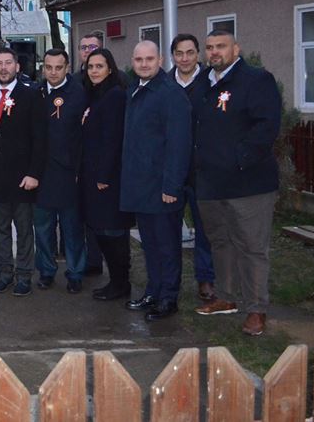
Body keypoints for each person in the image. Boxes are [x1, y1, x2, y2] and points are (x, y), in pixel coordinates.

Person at [193, 30, 281, 337]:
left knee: (252, 247)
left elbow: (266, 126)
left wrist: (238, 159)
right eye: (209, 48)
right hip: (211, 184)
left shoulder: (256, 80)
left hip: (248, 184)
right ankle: (226, 297)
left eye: (221, 46)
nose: (214, 52)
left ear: (236, 49)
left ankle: (256, 309)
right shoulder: (203, 83)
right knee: (221, 243)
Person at [120, 41, 192, 321]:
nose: (144, 63)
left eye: (150, 58)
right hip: (141, 186)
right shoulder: (135, 90)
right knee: (149, 244)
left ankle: (168, 298)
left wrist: (172, 187)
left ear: (160, 59)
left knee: (167, 245)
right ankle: (153, 291)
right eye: (139, 59)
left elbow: (179, 145)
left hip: (163, 188)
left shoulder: (170, 94)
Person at [0, 48, 45, 297]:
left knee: (24, 229)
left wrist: (34, 173)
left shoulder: (30, 96)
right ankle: (4, 273)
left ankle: (25, 274)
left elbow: (40, 139)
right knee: (1, 229)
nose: (4, 67)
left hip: (22, 178)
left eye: (8, 63)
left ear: (17, 67)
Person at [79, 48, 131, 301]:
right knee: (102, 231)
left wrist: (103, 176)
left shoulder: (115, 96)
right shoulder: (94, 95)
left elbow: (112, 139)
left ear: (110, 68)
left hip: (107, 179)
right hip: (92, 176)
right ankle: (116, 281)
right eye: (91, 67)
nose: (94, 71)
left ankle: (121, 283)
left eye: (99, 66)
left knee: (113, 232)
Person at [35, 49, 88, 293]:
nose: (53, 72)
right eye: (49, 67)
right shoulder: (37, 92)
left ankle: (75, 273)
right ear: (43, 68)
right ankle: (46, 271)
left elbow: (85, 135)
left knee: (72, 228)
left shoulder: (78, 93)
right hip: (42, 172)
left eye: (58, 67)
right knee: (44, 228)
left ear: (67, 67)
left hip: (69, 173)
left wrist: (79, 168)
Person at [171, 33, 216, 301]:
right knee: (169, 230)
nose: (185, 58)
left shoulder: (211, 83)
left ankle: (206, 278)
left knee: (205, 230)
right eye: (179, 53)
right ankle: (170, 279)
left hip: (202, 172)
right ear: (173, 56)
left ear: (198, 54)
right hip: (174, 172)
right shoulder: (164, 83)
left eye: (189, 52)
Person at [75, 31, 105, 276]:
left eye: (92, 47)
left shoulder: (114, 87)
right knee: (83, 214)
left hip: (102, 160)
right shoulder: (75, 82)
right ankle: (89, 259)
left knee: (102, 215)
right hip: (79, 158)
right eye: (84, 48)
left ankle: (101, 260)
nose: (87, 51)